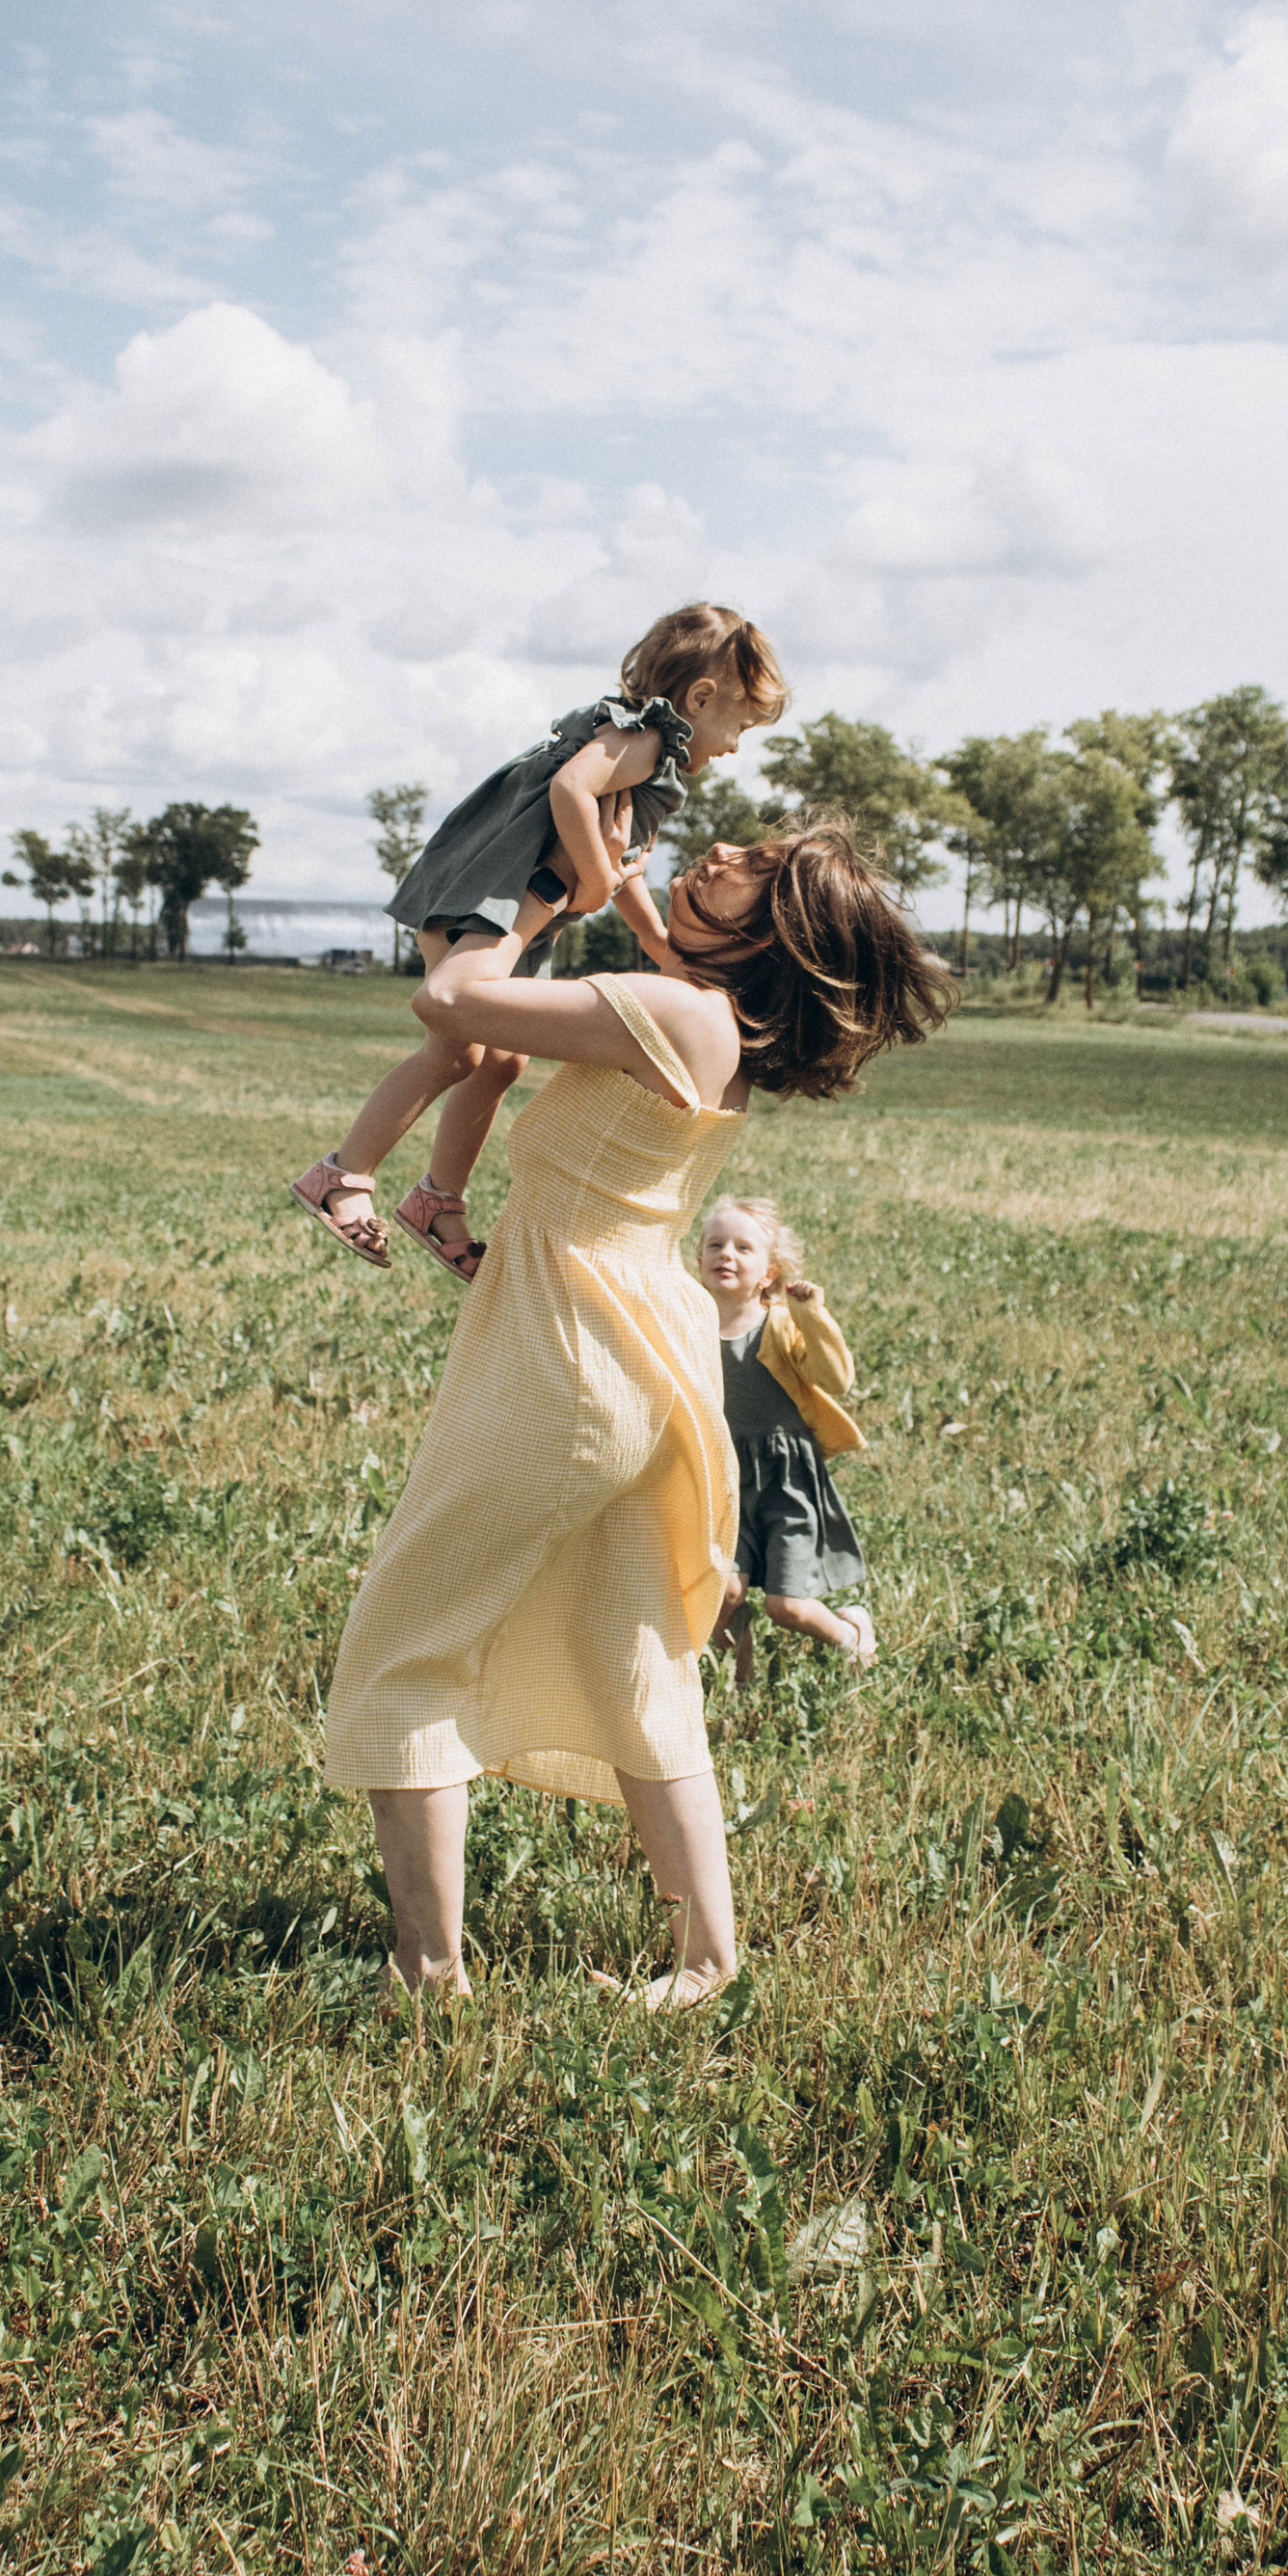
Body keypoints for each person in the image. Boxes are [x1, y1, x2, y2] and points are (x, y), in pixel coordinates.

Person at [323, 821, 953, 2011]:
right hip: (641, 1353)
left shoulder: (661, 1012)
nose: (717, 847)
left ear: (775, 924)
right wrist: (621, 890)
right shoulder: (713, 1018)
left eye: (750, 862)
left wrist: (512, 894)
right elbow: (658, 949)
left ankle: (426, 1976)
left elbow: (452, 997)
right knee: (637, 1661)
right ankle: (707, 1963)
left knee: (404, 1646)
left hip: (565, 1363)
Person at [291, 604, 788, 1284]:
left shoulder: (652, 761)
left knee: (501, 1064)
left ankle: (437, 1200)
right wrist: (587, 875)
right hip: (486, 893)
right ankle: (343, 1174)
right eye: (740, 726)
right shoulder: (643, 741)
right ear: (700, 699)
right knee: (457, 1049)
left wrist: (649, 930)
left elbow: (623, 865)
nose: (734, 745)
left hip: (517, 907)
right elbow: (570, 791)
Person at [700, 1196, 873, 1678]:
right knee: (724, 1590)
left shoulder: (779, 1323)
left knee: (787, 1606)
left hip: (785, 1478)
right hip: (724, 1477)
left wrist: (811, 1316)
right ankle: (740, 1673)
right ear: (698, 1260)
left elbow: (836, 1379)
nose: (725, 1254)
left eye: (742, 1247)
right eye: (714, 1244)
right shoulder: (691, 1322)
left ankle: (850, 1635)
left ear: (768, 1272)